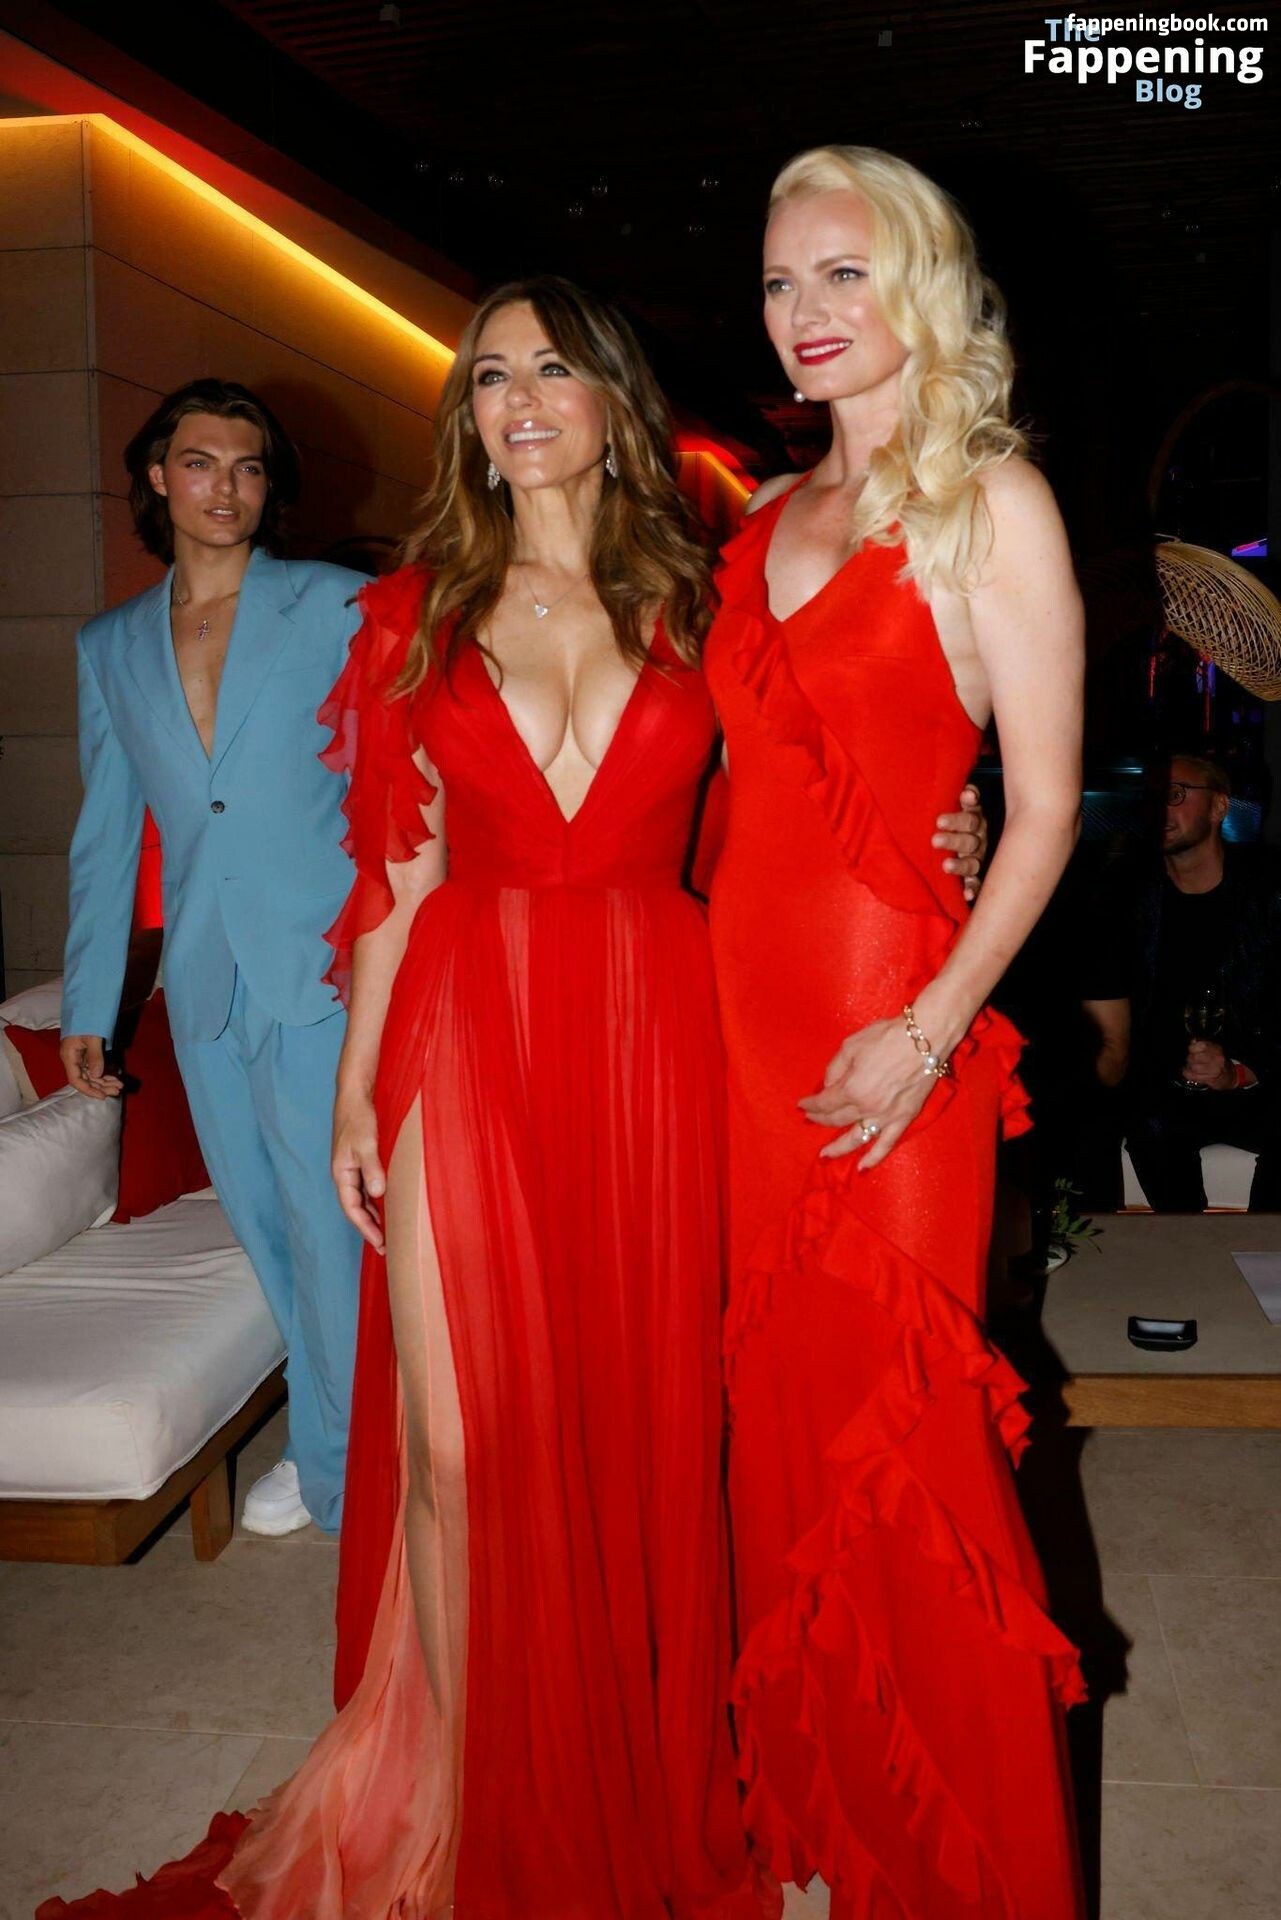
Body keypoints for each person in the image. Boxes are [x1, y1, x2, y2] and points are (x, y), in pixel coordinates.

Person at [39, 279, 985, 1920]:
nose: (520, 397)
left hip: (654, 1030)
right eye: (490, 376)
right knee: (459, 1441)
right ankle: (466, 1788)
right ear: (467, 417)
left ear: (612, 398)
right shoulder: (411, 612)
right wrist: (357, 1085)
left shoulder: (707, 597)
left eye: (552, 367)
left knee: (632, 1430)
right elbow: (394, 869)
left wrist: (944, 827)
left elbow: (816, 777)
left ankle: (618, 1765)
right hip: (463, 1025)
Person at [705, 147, 1087, 1918]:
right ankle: (839, 1809)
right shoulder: (757, 521)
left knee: (908, 1435)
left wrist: (929, 1029)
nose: (806, 312)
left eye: (842, 272)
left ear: (919, 281)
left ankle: (971, 1870)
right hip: (739, 1019)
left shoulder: (990, 500)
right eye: (781, 281)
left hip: (891, 1029)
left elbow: (1045, 812)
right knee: (783, 1423)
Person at [58, 379, 365, 1536]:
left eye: (247, 466)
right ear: (158, 477)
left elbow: (395, 781)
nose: (224, 487)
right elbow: (105, 835)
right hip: (203, 981)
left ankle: (341, 1470)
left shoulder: (334, 603)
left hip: (325, 966)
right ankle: (335, 1435)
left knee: (332, 1227)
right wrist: (92, 1001)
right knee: (265, 1225)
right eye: (200, 463)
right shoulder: (109, 646)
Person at [1083, 752, 1281, 1210]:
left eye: (1175, 795)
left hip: (1258, 1080)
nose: (1159, 810)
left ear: (1219, 806)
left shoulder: (1269, 892)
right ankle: (1191, 1243)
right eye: (1151, 797)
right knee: (1148, 1126)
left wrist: (1240, 1072)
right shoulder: (1125, 893)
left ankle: (1262, 1248)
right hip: (1164, 1088)